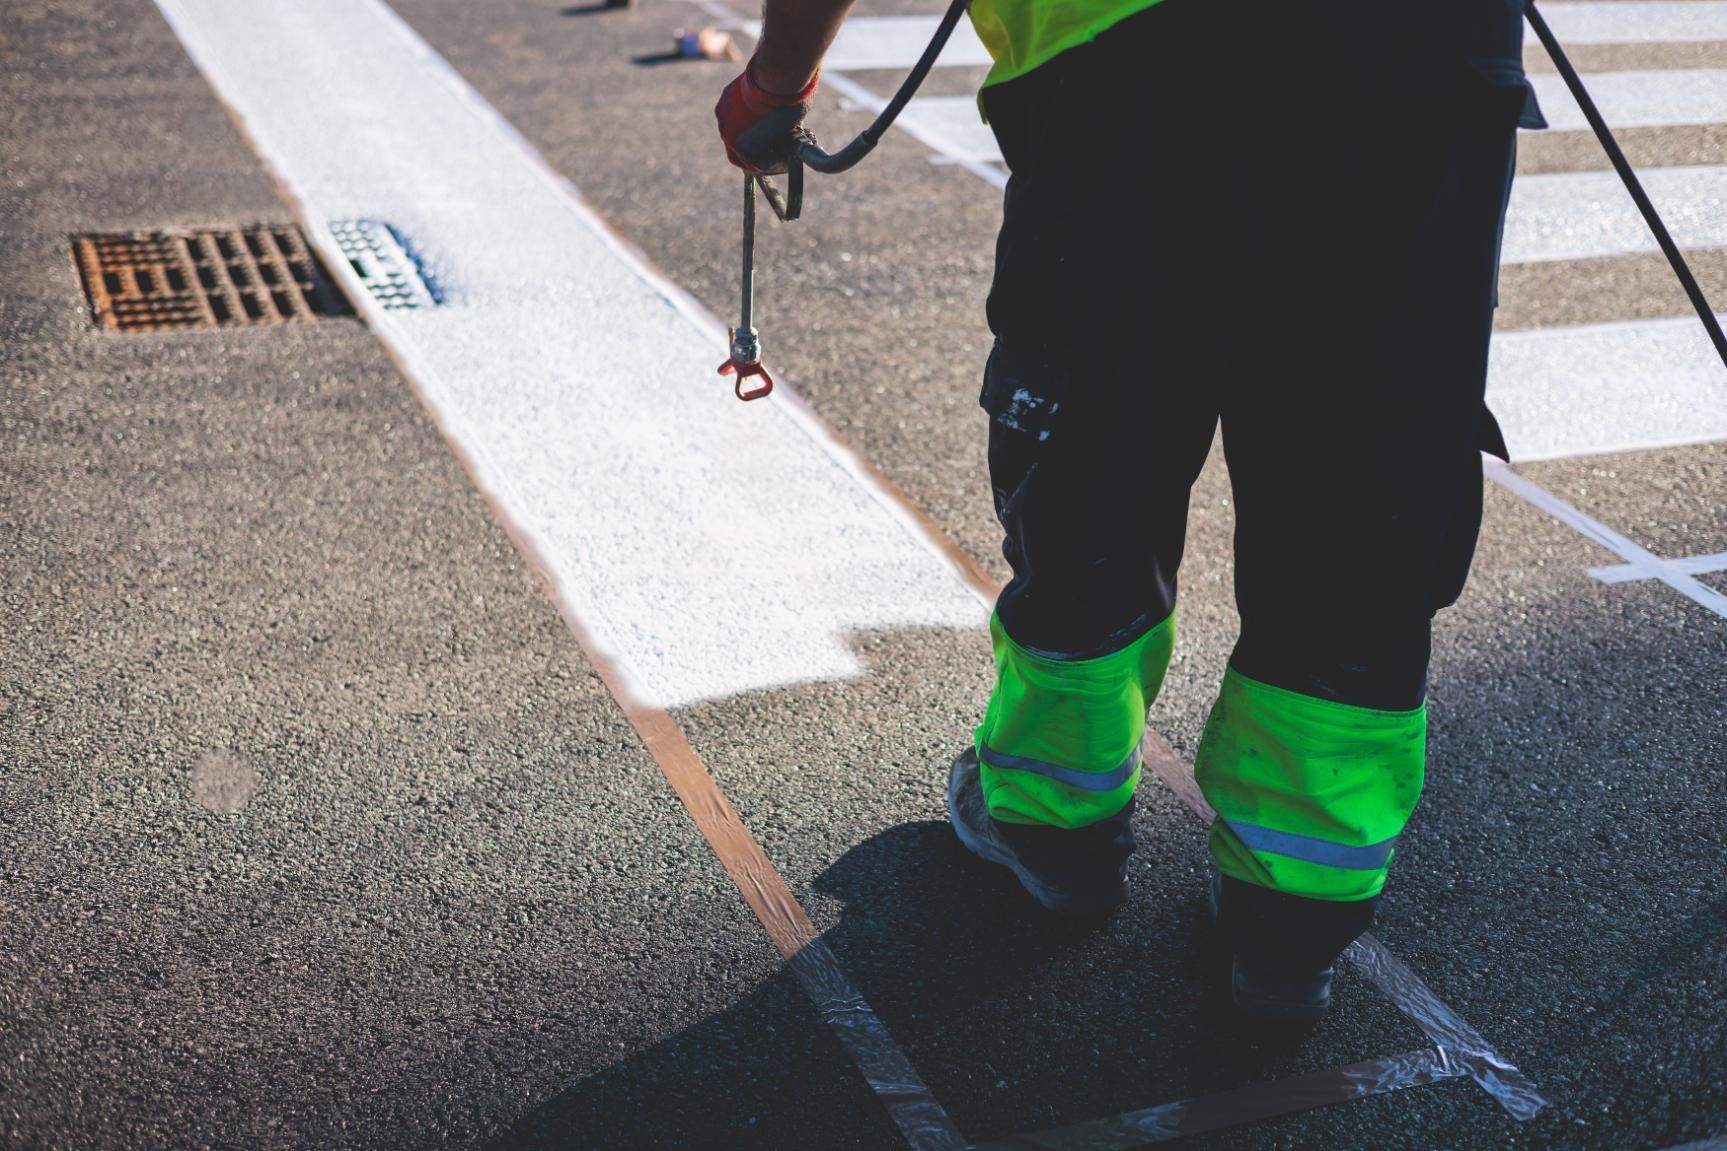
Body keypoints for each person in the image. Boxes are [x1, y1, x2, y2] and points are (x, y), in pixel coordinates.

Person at [716, 0, 1541, 1024]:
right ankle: (1291, 915)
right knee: (1359, 477)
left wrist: (776, 83)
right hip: (1419, 47)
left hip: (1129, 48)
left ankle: (1054, 820)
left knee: (1092, 450)